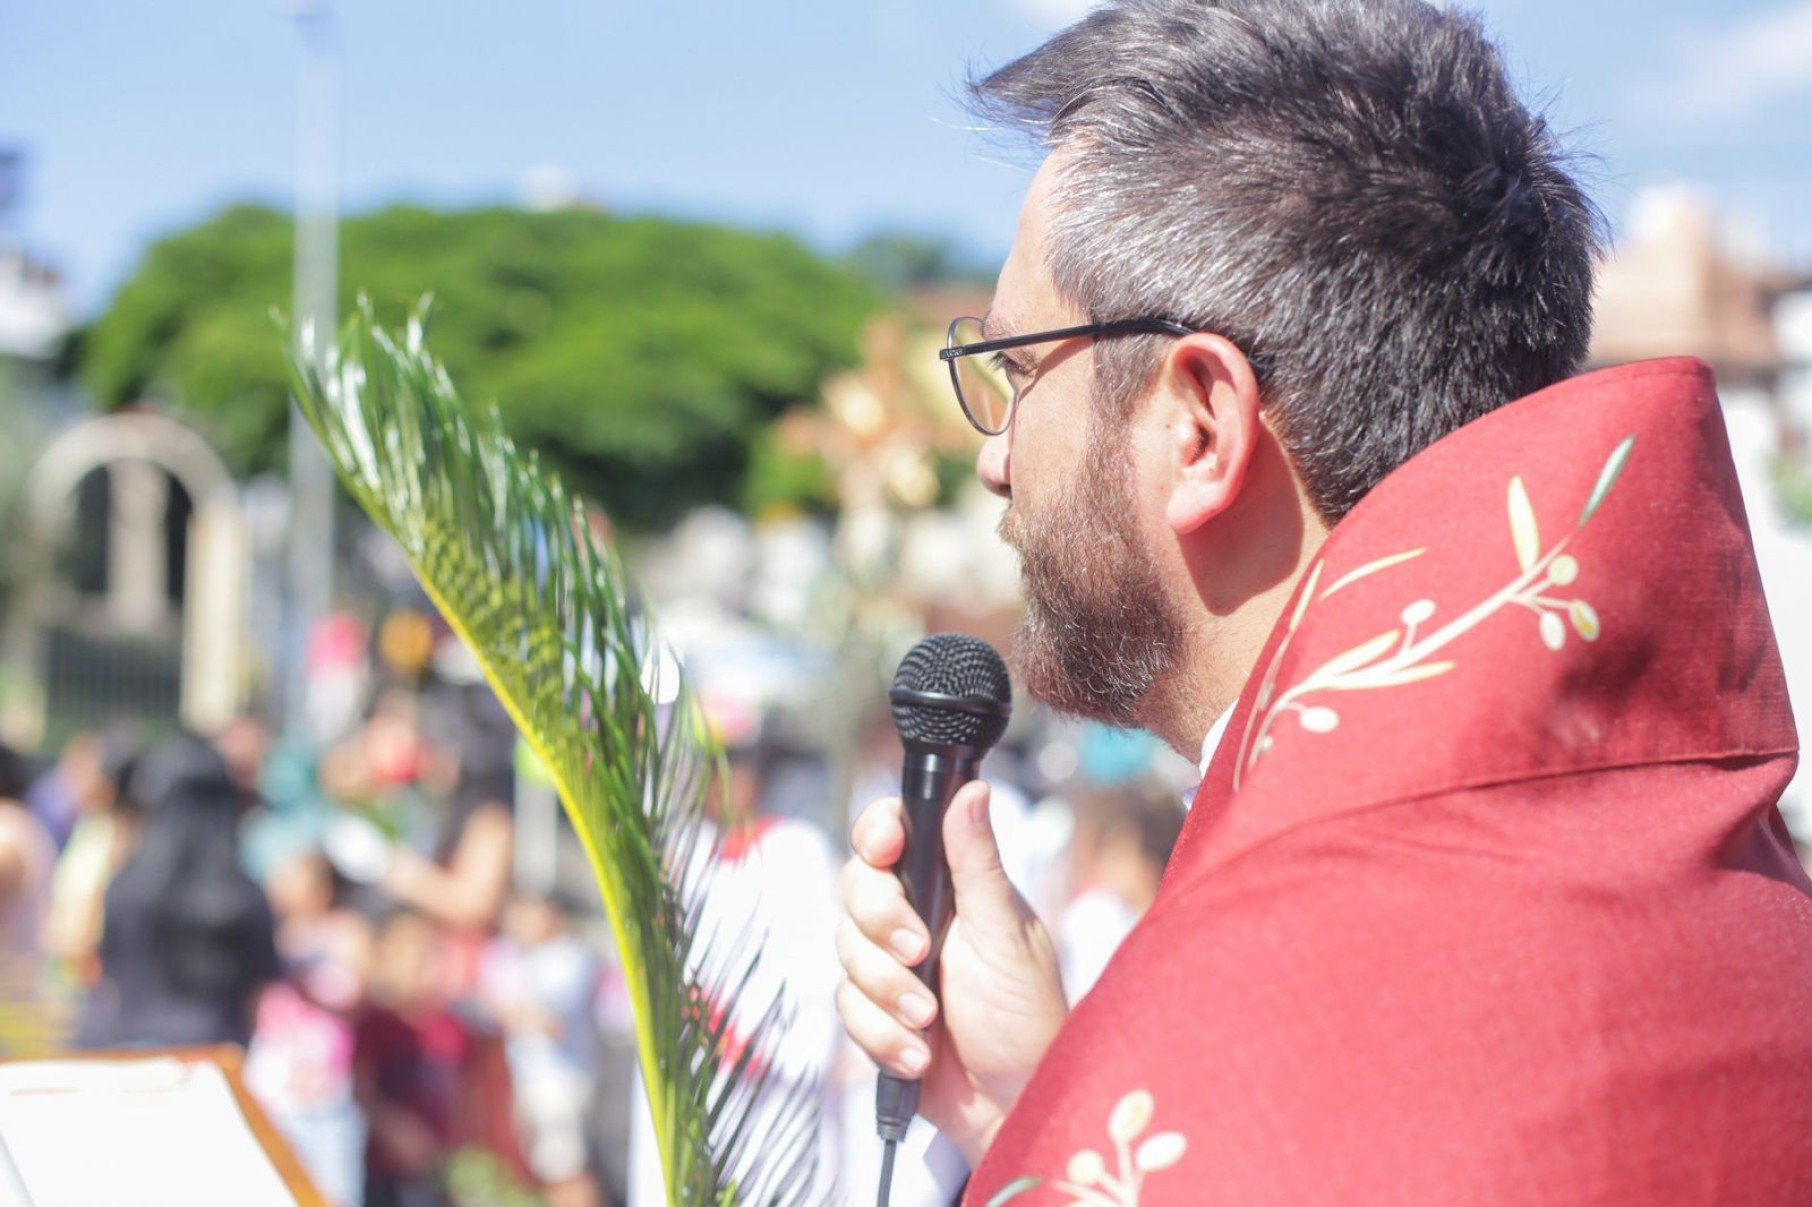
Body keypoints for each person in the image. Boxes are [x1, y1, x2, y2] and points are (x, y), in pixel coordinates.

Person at [836, 2, 1812, 1202]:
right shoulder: (1752, 901)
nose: (994, 455)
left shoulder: (1262, 1015)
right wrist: (1054, 1106)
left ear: (1200, 424)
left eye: (1018, 370)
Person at [83, 733, 281, 1048]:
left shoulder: (124, 887)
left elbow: (106, 979)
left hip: (129, 1053)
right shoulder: (246, 897)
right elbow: (257, 997)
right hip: (215, 1061)